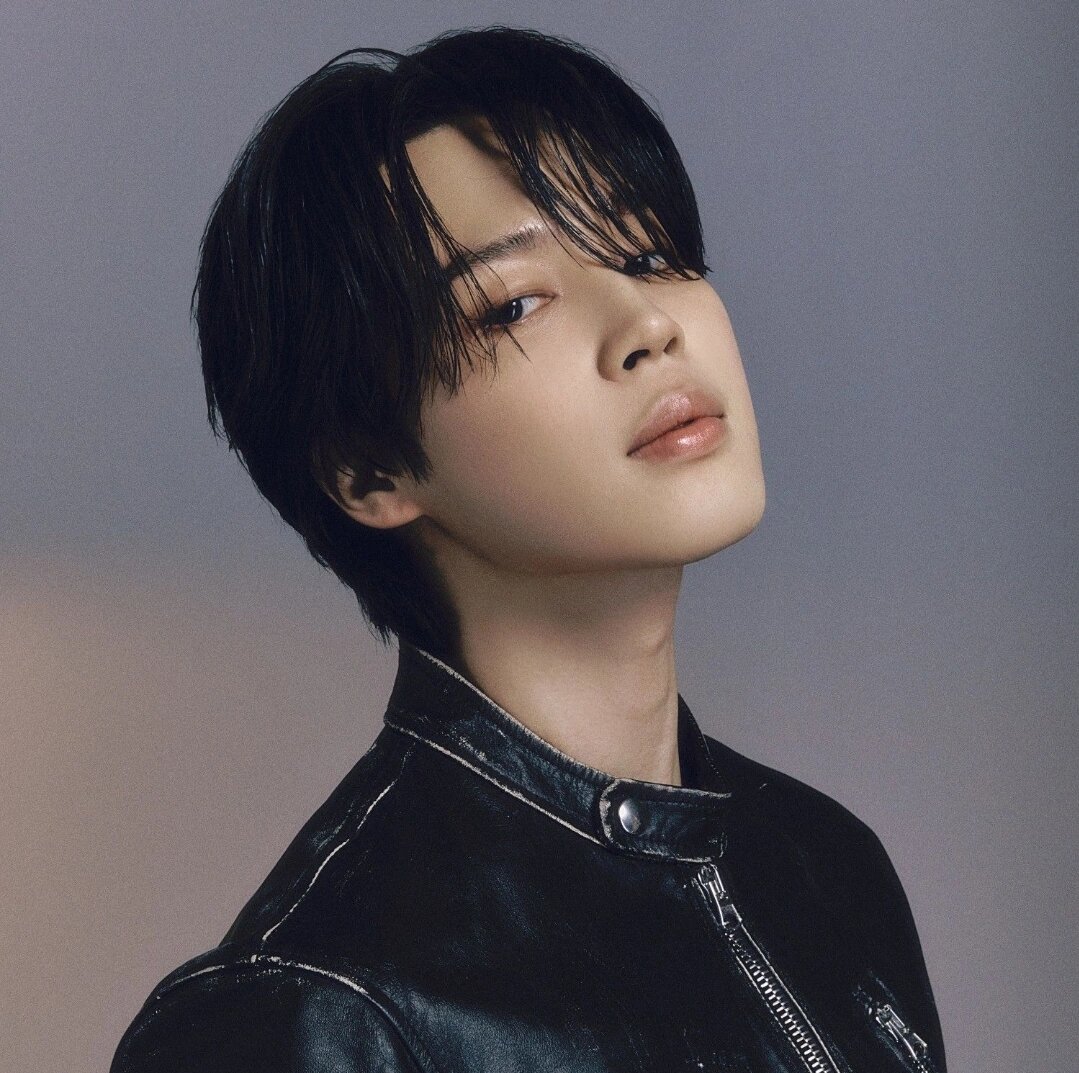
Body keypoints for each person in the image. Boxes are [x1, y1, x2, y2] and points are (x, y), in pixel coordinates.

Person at [111, 25, 946, 1073]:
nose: (646, 323)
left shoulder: (826, 867)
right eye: (512, 303)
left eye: (648, 255)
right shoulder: (312, 1010)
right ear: (368, 468)